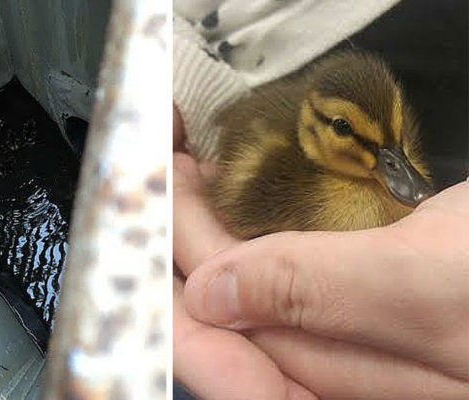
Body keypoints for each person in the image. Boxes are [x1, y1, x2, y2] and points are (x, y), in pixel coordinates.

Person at [172, 4, 469, 398]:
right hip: (228, 69)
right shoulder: (275, 173)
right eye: (345, 129)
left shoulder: (389, 148)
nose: (403, 177)